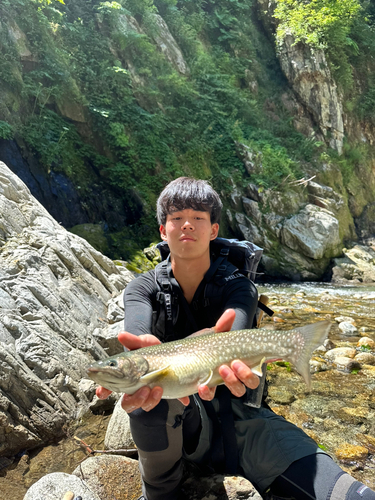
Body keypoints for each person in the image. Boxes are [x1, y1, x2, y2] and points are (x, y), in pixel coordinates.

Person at [97, 177, 375, 500]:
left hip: (246, 423)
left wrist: (219, 344)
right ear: (163, 230)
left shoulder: (239, 286)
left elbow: (237, 336)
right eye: (176, 218)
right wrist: (141, 358)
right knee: (151, 395)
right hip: (179, 428)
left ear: (214, 230)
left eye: (198, 217)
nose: (187, 224)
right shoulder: (141, 289)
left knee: (352, 495)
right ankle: (161, 493)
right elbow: (138, 336)